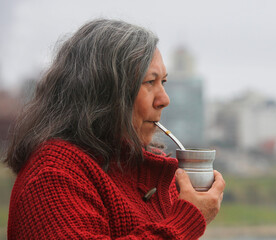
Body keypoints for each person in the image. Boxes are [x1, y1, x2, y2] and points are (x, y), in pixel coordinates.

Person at [4, 19, 225, 239]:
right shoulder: (54, 174)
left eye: (163, 82)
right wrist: (185, 222)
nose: (164, 99)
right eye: (150, 82)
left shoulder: (144, 173)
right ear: (106, 92)